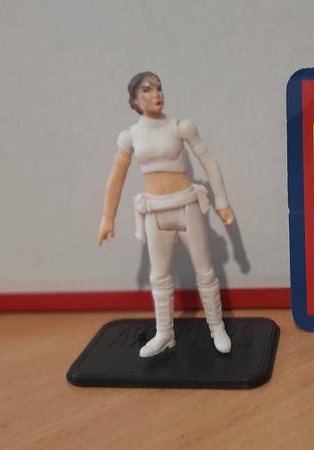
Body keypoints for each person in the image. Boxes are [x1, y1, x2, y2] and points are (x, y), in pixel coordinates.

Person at [98, 72, 235, 357]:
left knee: (205, 271)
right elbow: (116, 177)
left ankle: (216, 326)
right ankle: (165, 333)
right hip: (154, 212)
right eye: (147, 90)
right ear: (135, 101)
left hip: (186, 207)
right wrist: (107, 218)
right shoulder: (129, 136)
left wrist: (222, 202)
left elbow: (209, 162)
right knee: (159, 276)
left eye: (158, 88)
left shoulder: (181, 127)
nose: (156, 94)